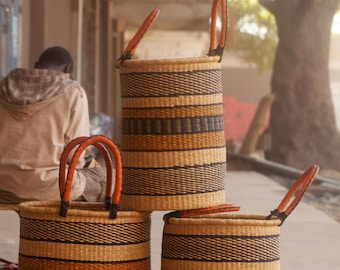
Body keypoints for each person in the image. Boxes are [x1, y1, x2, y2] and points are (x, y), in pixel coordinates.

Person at [0, 46, 107, 204]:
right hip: (51, 187)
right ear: (68, 68)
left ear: (36, 65)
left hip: (4, 185)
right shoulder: (73, 93)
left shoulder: (3, 87)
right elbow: (75, 156)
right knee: (102, 181)